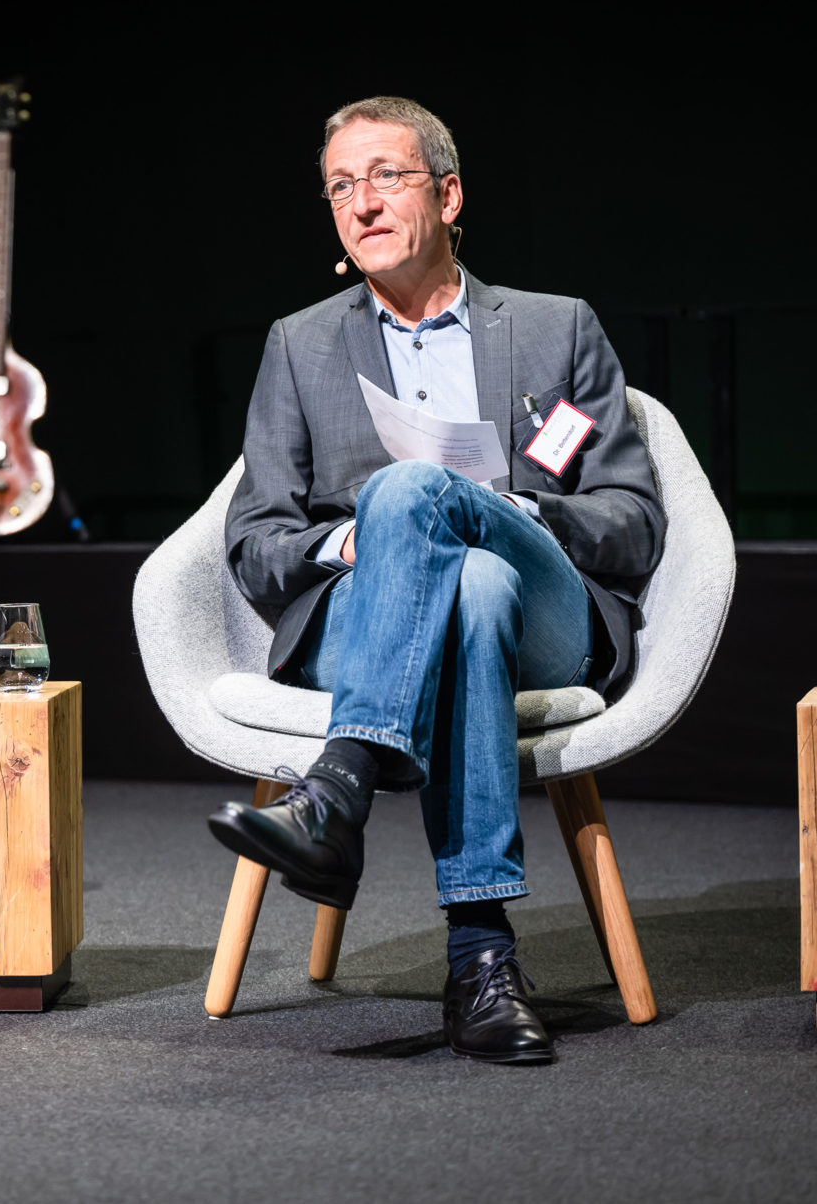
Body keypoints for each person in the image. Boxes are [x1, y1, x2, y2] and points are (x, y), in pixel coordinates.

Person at [209, 97, 663, 1063]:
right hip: (368, 615)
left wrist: (512, 511)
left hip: (548, 607)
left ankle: (339, 791)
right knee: (471, 591)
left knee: (449, 522)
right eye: (340, 185)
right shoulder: (300, 345)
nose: (361, 203)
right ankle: (481, 958)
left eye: (386, 175)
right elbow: (254, 542)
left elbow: (634, 520)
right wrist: (363, 544)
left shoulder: (555, 329)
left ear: (449, 196)